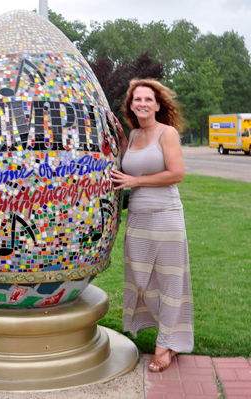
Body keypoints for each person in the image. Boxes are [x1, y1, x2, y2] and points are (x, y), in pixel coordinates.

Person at [110, 79, 193, 373]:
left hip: (165, 215)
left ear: (158, 105)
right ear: (131, 105)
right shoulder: (132, 136)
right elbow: (127, 164)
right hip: (138, 219)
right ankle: (166, 334)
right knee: (143, 282)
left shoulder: (166, 133)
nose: (142, 104)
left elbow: (177, 173)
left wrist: (136, 181)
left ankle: (165, 345)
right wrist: (120, 137)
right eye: (137, 99)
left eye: (148, 99)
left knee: (170, 282)